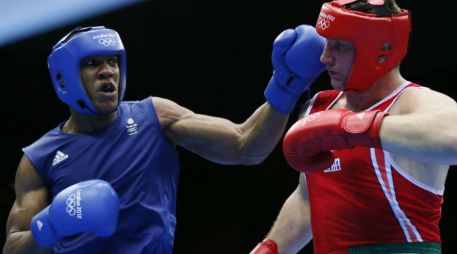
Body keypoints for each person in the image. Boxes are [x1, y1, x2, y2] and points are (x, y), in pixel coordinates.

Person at [3, 23, 326, 253]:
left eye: (113, 61)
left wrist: (286, 85)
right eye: (92, 64)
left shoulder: (154, 116)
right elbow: (14, 246)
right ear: (64, 78)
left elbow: (245, 146)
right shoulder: (40, 157)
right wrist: (51, 224)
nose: (107, 71)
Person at [251, 0, 457, 253]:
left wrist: (353, 127)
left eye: (338, 46)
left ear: (378, 50)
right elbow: (308, 199)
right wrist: (270, 249)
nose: (324, 57)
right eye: (326, 42)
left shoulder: (413, 103)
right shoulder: (319, 108)